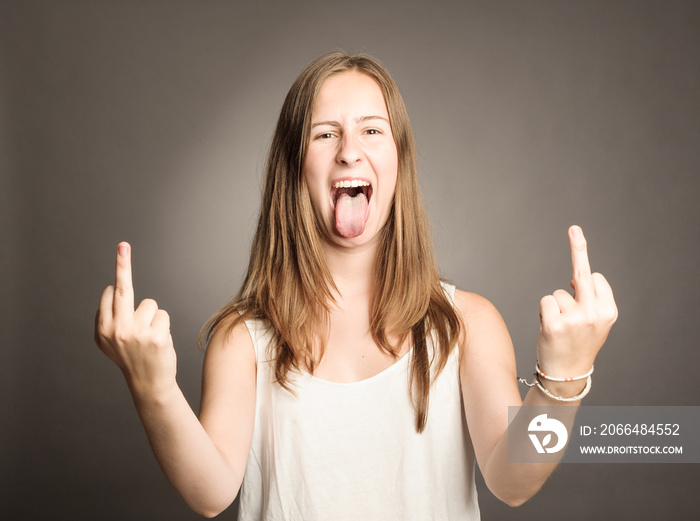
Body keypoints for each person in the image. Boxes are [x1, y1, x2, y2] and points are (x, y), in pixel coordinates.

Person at [94, 52, 618, 520]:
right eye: (325, 134)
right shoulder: (243, 340)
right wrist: (153, 388)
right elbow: (209, 494)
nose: (349, 151)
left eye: (372, 130)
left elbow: (514, 482)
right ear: (294, 166)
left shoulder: (468, 325)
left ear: (399, 160)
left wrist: (563, 377)